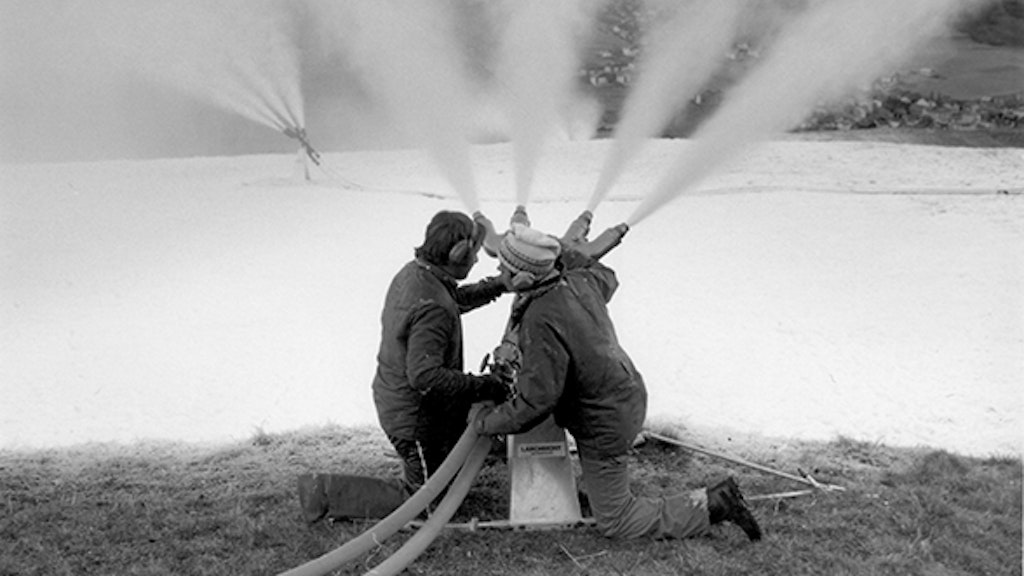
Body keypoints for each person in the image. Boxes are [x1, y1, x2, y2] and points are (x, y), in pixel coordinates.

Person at [469, 222, 762, 542]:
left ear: (524, 278)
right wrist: (559, 252)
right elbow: (608, 275)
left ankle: (716, 505)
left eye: (505, 267)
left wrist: (485, 423)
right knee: (607, 488)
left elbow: (537, 401)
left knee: (617, 520)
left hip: (602, 420)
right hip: (624, 395)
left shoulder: (540, 318)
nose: (498, 269)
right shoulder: (579, 281)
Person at [373, 210, 511, 494]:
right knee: (427, 501)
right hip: (414, 421)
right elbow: (425, 376)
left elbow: (452, 298)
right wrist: (484, 386)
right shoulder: (433, 307)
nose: (475, 260)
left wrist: (498, 285)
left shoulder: (417, 273)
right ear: (458, 255)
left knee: (451, 475)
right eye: (472, 254)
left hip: (401, 403)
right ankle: (326, 494)